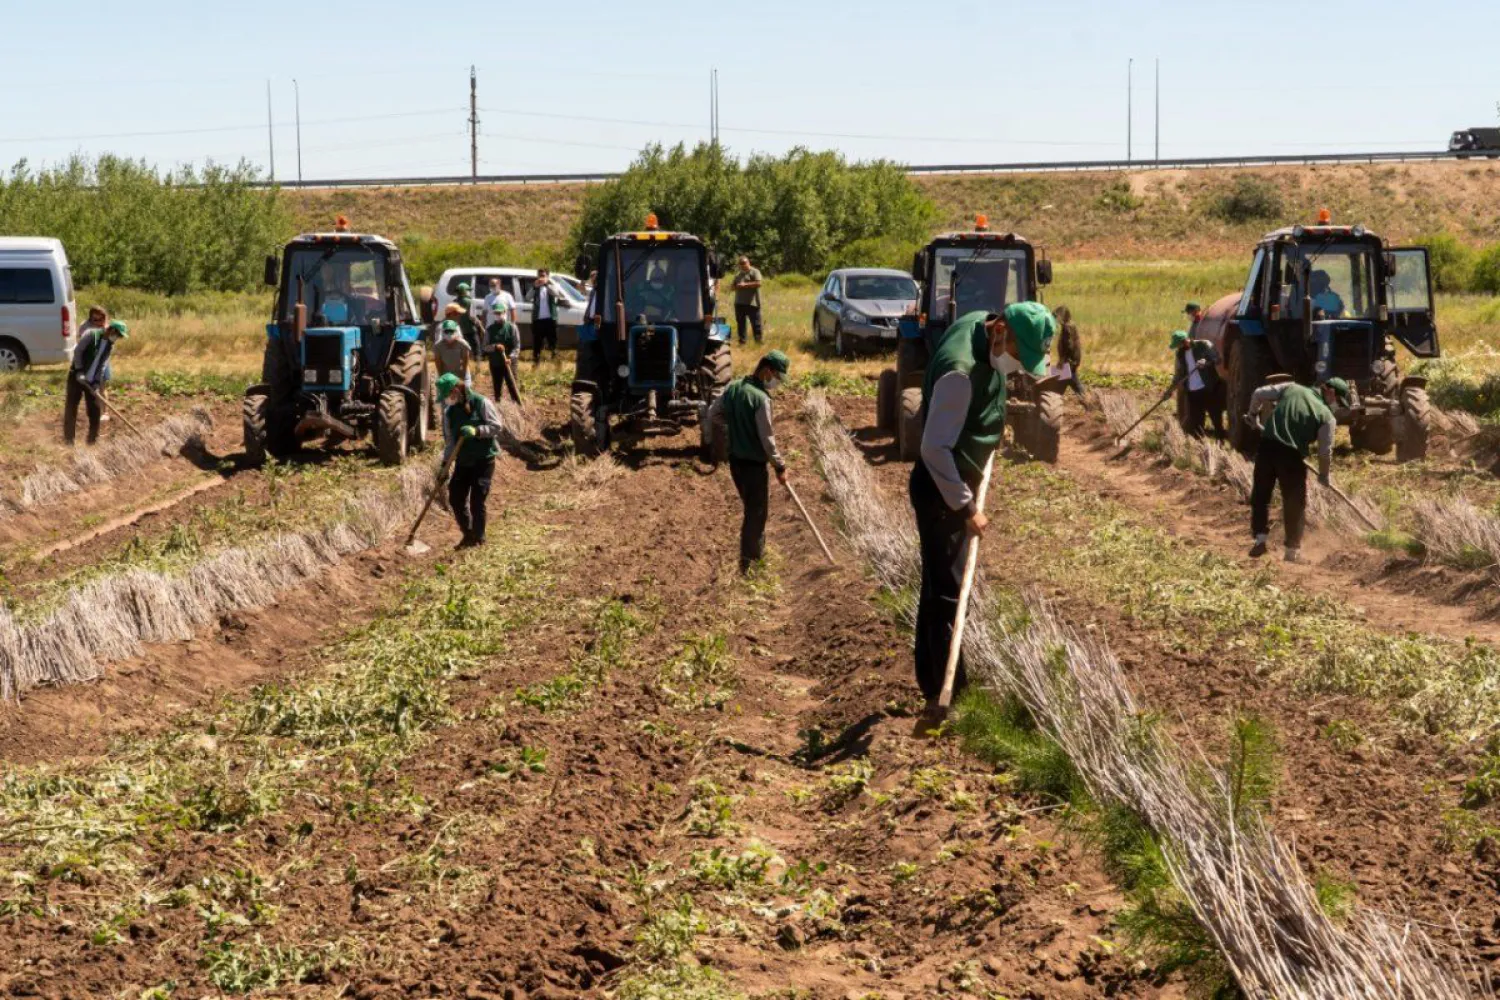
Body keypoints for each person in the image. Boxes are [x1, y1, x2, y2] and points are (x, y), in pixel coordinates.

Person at [911, 303, 1054, 731]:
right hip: (943, 492)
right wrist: (967, 507)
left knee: (937, 586)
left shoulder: (978, 320)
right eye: (1016, 353)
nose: (1016, 366)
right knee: (951, 593)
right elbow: (934, 449)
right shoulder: (959, 372)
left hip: (953, 481)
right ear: (1001, 330)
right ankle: (952, 692)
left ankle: (930, 680)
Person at [704, 350, 790, 575]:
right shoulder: (760, 399)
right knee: (756, 513)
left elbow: (713, 414)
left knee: (751, 509)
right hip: (753, 466)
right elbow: (767, 440)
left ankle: (754, 556)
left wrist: (734, 424)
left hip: (736, 464)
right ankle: (750, 565)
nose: (777, 382)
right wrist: (780, 466)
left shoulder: (733, 388)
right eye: (777, 377)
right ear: (767, 370)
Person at [1246, 378, 1347, 564]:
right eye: (1338, 401)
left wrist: (1253, 414)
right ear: (1331, 393)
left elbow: (1259, 393)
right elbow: (1325, 452)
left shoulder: (1291, 388)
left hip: (1266, 448)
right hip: (1291, 457)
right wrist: (1324, 475)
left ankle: (1259, 539)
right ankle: (1292, 552)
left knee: (1261, 494)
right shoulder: (1326, 416)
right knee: (1295, 502)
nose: (1337, 405)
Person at [436, 373, 503, 550]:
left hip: (484, 459)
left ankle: (479, 538)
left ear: (457, 389)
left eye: (448, 395)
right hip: (463, 461)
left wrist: (477, 430)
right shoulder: (449, 413)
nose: (447, 400)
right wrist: (445, 466)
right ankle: (469, 533)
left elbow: (497, 426)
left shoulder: (482, 403)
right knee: (456, 497)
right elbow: (450, 442)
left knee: (477, 500)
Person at [64, 320, 128, 446]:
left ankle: (92, 441)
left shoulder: (110, 345)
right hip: (76, 376)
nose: (118, 338)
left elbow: (103, 365)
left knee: (95, 410)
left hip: (91, 381)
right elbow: (78, 352)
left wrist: (97, 383)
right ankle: (69, 440)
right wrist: (79, 370)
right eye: (118, 335)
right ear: (112, 330)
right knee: (71, 408)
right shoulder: (91, 335)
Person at [1169, 330, 1225, 438]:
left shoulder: (1204, 345)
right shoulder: (1180, 354)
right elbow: (1179, 375)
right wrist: (1170, 390)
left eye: (1179, 345)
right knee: (1196, 422)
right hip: (1192, 392)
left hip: (1209, 388)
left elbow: (1218, 359)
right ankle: (1199, 446)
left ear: (1185, 341)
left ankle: (1220, 443)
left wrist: (1206, 362)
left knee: (1216, 419)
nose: (1178, 347)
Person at [484, 312, 522, 404]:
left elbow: (517, 346)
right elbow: (485, 347)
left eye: (501, 313)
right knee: (497, 386)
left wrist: (511, 358)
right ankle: (498, 405)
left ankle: (517, 405)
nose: (499, 315)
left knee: (512, 385)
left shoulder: (512, 328)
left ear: (505, 313)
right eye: (496, 313)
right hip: (495, 362)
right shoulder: (489, 330)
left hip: (509, 362)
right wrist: (495, 346)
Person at [528, 270, 563, 363]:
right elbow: (527, 297)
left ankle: (556, 362)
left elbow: (557, 294)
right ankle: (536, 362)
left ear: (547, 276)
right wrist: (534, 287)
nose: (541, 278)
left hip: (550, 320)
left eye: (543, 275)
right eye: (539, 276)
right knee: (537, 343)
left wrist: (547, 284)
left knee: (553, 342)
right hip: (538, 320)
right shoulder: (535, 287)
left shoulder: (551, 286)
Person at [730, 256, 764, 345]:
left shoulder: (754, 271)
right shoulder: (738, 275)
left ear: (748, 262)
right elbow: (732, 287)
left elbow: (758, 283)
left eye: (744, 263)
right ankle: (742, 342)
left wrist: (745, 285)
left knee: (756, 324)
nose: (743, 265)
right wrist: (736, 286)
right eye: (741, 264)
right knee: (741, 323)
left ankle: (758, 342)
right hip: (739, 303)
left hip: (752, 303)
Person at [1053, 305, 1084, 397]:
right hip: (1072, 360)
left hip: (1068, 361)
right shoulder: (1071, 325)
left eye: (1058, 317)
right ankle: (1087, 400)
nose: (1057, 320)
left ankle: (1088, 401)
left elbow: (1069, 345)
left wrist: (1063, 359)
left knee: (1067, 382)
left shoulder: (1067, 328)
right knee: (1062, 383)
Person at [433, 319, 473, 386]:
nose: (449, 333)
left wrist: (462, 376)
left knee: (466, 392)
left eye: (451, 331)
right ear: (442, 332)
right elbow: (438, 362)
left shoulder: (463, 344)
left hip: (461, 372)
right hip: (446, 374)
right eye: (447, 331)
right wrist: (442, 377)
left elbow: (465, 359)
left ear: (456, 331)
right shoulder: (438, 346)